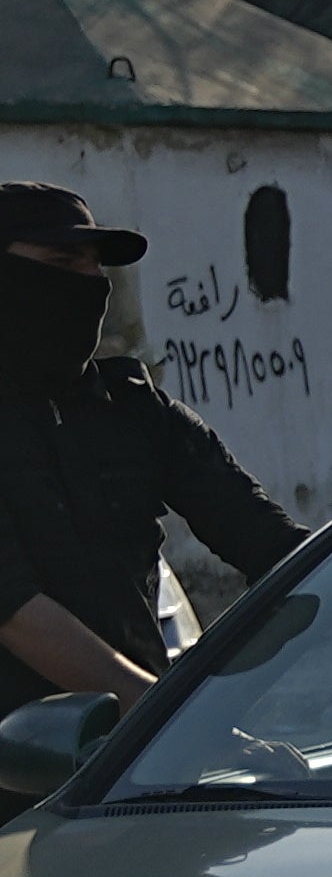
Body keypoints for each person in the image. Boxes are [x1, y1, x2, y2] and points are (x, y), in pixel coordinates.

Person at [0, 185, 299, 712]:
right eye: (63, 262)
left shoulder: (135, 410)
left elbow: (279, 550)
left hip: (126, 776)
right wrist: (166, 724)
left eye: (97, 268)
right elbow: (17, 612)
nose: (90, 285)